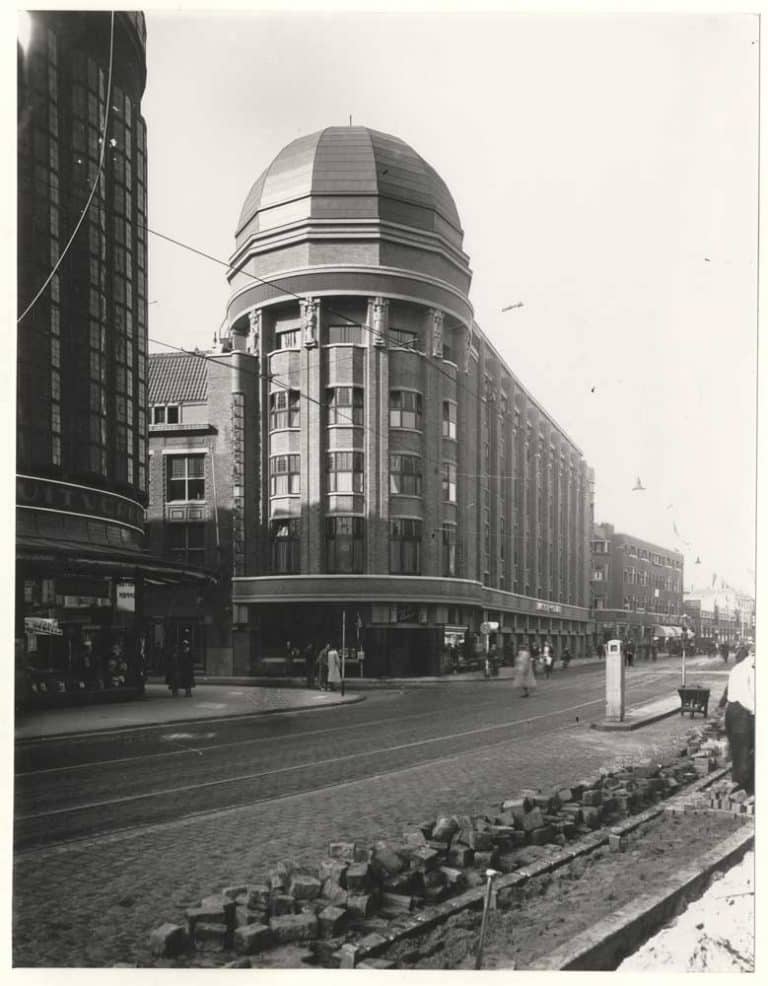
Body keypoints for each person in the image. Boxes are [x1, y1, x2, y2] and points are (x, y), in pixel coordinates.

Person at [718, 645, 754, 794]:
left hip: (733, 712)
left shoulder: (737, 669)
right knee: (744, 751)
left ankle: (740, 785)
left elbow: (728, 692)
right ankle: (744, 790)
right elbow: (746, 697)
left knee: (739, 752)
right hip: (742, 714)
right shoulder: (750, 670)